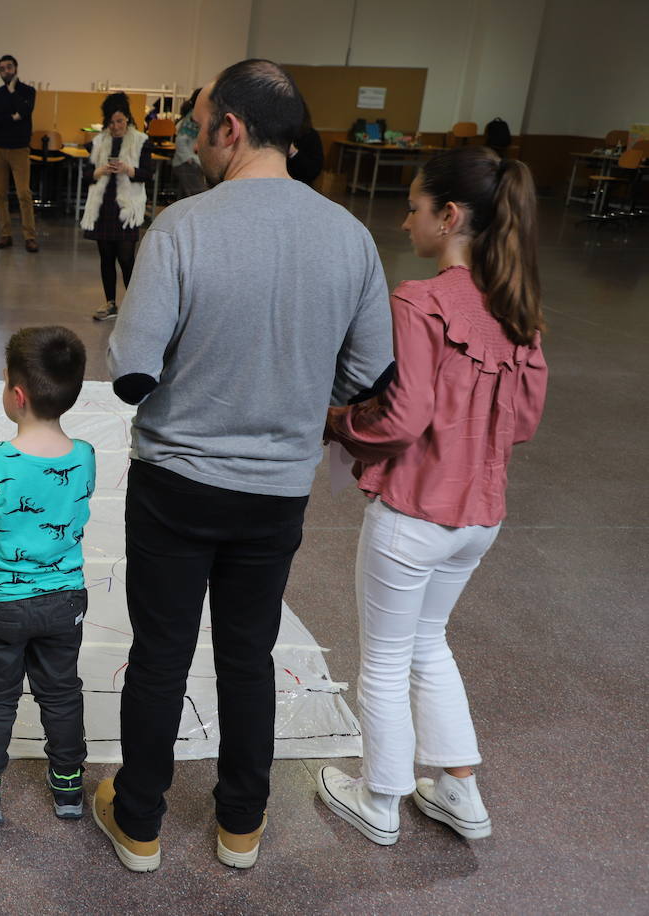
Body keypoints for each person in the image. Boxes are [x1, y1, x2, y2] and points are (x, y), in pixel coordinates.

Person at [97, 59, 393, 873]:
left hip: (176, 485)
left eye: (196, 125)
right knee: (247, 655)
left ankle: (140, 823)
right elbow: (369, 378)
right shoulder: (351, 237)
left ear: (230, 128)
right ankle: (240, 827)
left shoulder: (184, 227)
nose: (191, 139)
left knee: (160, 654)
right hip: (275, 493)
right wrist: (295, 386)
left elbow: (132, 371)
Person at [315, 147, 548, 847]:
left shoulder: (418, 300)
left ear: (448, 217)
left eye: (414, 207)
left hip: (413, 514)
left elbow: (402, 417)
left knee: (384, 660)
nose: (405, 218)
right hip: (481, 516)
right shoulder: (519, 307)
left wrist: (340, 424)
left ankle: (380, 798)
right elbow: (526, 420)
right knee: (429, 643)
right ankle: (460, 788)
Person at [0, 326, 94, 829]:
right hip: (63, 599)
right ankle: (69, 787)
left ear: (17, 393)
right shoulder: (85, 455)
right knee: (63, 691)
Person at [82, 93, 153, 322]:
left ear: (128, 119)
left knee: (126, 258)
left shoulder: (141, 140)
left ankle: (134, 305)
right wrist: (98, 171)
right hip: (103, 205)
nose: (116, 126)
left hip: (126, 207)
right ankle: (110, 303)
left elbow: (148, 174)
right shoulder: (98, 142)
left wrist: (127, 169)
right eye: (111, 122)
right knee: (106, 257)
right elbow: (85, 175)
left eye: (120, 121)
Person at [0, 55, 38, 252]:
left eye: (9, 67)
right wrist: (13, 117)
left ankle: (29, 236)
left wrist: (13, 92)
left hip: (19, 149)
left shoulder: (28, 91)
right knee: (0, 195)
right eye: (2, 68)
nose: (6, 71)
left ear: (16, 68)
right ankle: (5, 235)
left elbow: (25, 110)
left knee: (23, 193)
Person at [171, 90, 206, 199]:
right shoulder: (193, 117)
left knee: (186, 199)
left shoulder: (193, 115)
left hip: (187, 161)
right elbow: (181, 140)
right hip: (187, 163)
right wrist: (189, 158)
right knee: (198, 197)